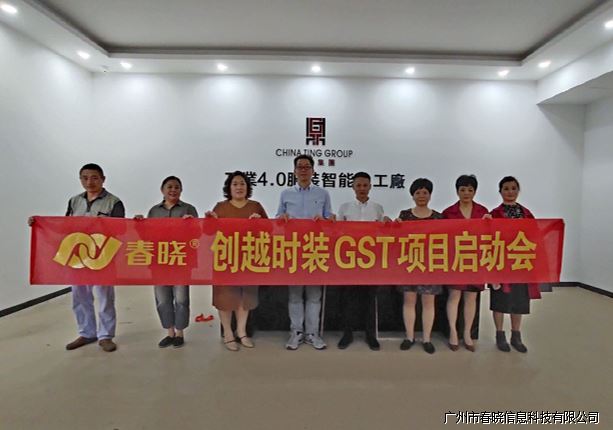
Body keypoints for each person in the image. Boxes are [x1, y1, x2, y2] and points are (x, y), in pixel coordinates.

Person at [28, 163, 125, 352]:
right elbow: (66, 225)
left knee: (104, 297)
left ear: (103, 179)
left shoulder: (114, 202)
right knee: (80, 296)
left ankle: (106, 336)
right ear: (80, 179)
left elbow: (121, 229)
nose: (90, 182)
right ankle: (87, 333)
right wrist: (39, 224)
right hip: (78, 256)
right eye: (85, 178)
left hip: (103, 256)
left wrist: (101, 226)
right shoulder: (74, 201)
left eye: (94, 177)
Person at [276, 154, 333, 350]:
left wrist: (326, 220)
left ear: (313, 171)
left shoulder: (323, 194)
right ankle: (296, 332)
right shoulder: (285, 194)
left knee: (314, 295)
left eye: (307, 167)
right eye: (300, 167)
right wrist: (282, 218)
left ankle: (312, 333)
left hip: (315, 249)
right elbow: (277, 219)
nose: (303, 170)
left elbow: (329, 220)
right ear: (294, 171)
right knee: (295, 295)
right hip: (293, 249)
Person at [206, 171, 268, 351]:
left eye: (242, 183)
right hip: (225, 259)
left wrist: (260, 222)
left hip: (248, 258)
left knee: (244, 297)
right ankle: (228, 333)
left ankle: (241, 331)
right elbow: (209, 232)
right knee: (224, 297)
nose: (239, 187)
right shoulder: (220, 207)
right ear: (229, 187)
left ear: (248, 187)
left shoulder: (256, 206)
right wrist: (210, 221)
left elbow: (269, 230)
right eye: (235, 184)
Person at [135, 176, 198, 349]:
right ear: (162, 190)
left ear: (181, 190)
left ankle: (179, 333)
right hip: (159, 261)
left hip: (181, 261)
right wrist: (139, 225)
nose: (173, 190)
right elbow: (146, 237)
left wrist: (192, 225)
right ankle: (169, 332)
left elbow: (197, 236)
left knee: (181, 299)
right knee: (162, 300)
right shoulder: (154, 211)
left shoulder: (188, 209)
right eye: (169, 187)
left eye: (177, 187)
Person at [336, 172, 390, 351]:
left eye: (365, 185)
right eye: (358, 185)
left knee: (370, 298)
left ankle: (370, 335)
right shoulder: (344, 208)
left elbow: (382, 232)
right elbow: (338, 232)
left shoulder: (378, 208)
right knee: (348, 299)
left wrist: (388, 223)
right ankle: (347, 334)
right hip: (349, 260)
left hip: (371, 261)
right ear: (353, 187)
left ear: (370, 187)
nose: (362, 189)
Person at [489, 176, 540, 353]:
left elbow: (534, 236)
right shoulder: (494, 214)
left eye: (513, 188)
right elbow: (488, 239)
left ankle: (516, 335)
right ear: (500, 192)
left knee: (519, 300)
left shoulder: (526, 213)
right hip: (500, 263)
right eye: (506, 188)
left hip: (520, 263)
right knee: (499, 301)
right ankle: (499, 334)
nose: (510, 192)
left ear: (518, 190)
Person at [442, 174, 490, 352]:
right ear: (457, 191)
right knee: (454, 296)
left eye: (470, 190)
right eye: (462, 190)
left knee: (471, 297)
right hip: (455, 259)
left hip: (475, 260)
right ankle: (453, 332)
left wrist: (490, 224)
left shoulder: (483, 212)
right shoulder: (448, 212)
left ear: (475, 191)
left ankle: (468, 333)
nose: (466, 193)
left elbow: (489, 236)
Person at [396, 178, 442, 354]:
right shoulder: (404, 215)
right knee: (409, 301)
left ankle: (427, 339)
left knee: (428, 303)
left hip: (430, 266)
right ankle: (409, 337)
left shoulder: (438, 217)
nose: (421, 196)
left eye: (425, 192)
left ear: (430, 195)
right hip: (409, 264)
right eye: (418, 193)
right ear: (412, 195)